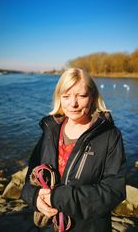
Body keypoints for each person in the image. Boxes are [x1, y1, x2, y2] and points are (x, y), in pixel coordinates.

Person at [22, 68, 126, 232]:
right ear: (59, 98)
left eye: (81, 96)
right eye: (66, 96)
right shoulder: (50, 130)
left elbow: (114, 191)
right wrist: (34, 197)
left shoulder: (109, 136)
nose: (73, 104)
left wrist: (58, 198)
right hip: (50, 226)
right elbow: (30, 177)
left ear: (92, 97)